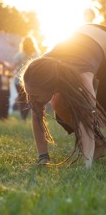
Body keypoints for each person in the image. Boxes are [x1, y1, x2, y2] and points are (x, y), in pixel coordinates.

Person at [23, 24, 106, 168]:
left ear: (50, 87)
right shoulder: (42, 69)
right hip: (82, 39)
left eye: (34, 95)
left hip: (99, 43)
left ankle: (96, 148)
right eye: (28, 94)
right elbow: (36, 113)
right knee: (58, 103)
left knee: (95, 108)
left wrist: (87, 166)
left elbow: (87, 116)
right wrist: (43, 158)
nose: (31, 100)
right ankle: (100, 144)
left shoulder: (82, 75)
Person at [12, 36, 40, 120]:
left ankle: (23, 117)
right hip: (31, 81)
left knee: (21, 99)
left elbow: (12, 68)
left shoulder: (20, 54)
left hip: (18, 81)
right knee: (29, 99)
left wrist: (4, 66)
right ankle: (25, 116)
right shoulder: (36, 55)